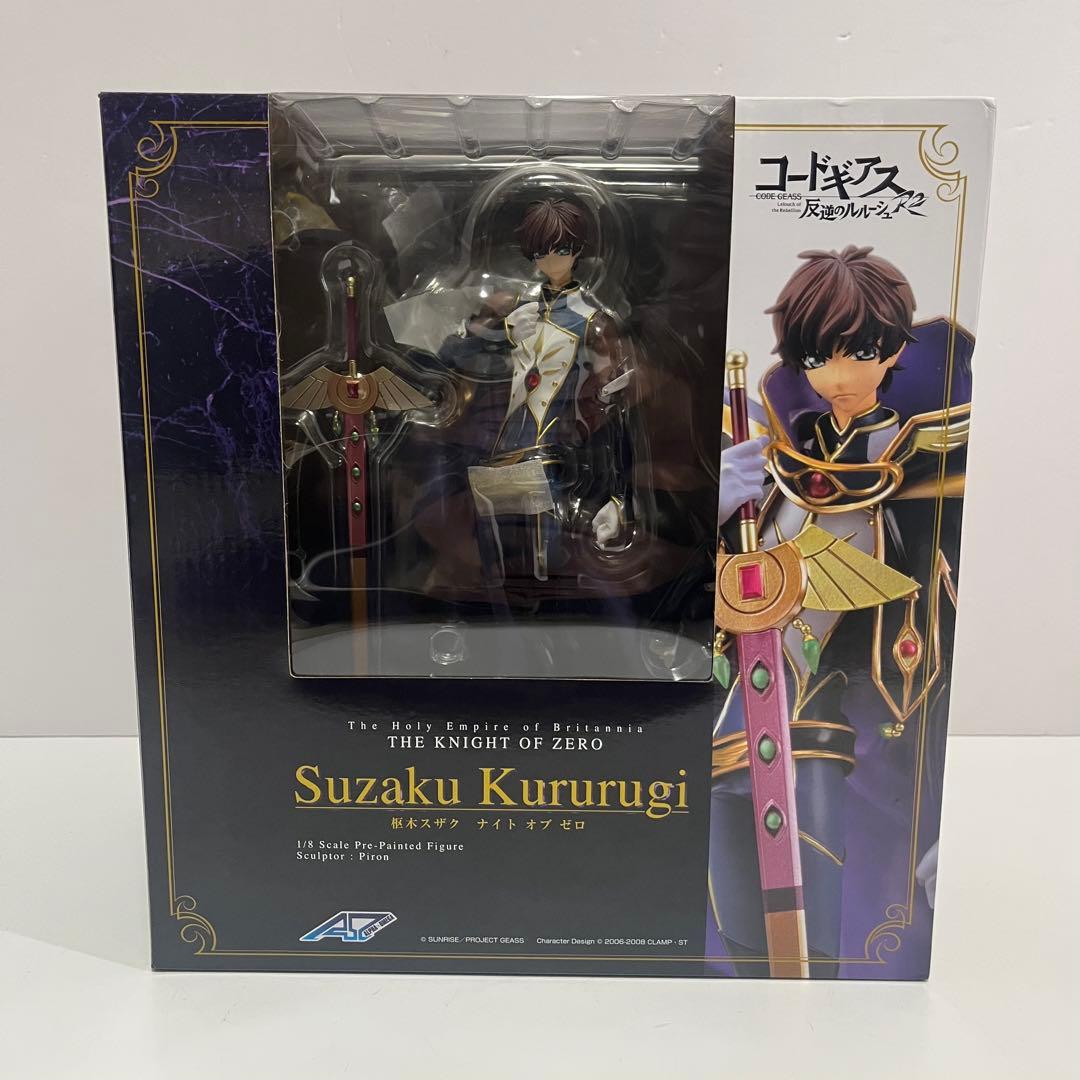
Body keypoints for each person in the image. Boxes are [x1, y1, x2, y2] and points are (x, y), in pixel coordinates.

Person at [708, 245, 971, 976]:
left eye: (860, 351)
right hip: (742, 703)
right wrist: (717, 511)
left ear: (893, 351)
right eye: (819, 356)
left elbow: (943, 639)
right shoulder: (781, 461)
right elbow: (728, 588)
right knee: (732, 855)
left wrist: (940, 826)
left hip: (852, 724)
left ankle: (814, 989)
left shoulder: (923, 468)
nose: (840, 375)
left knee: (817, 908)